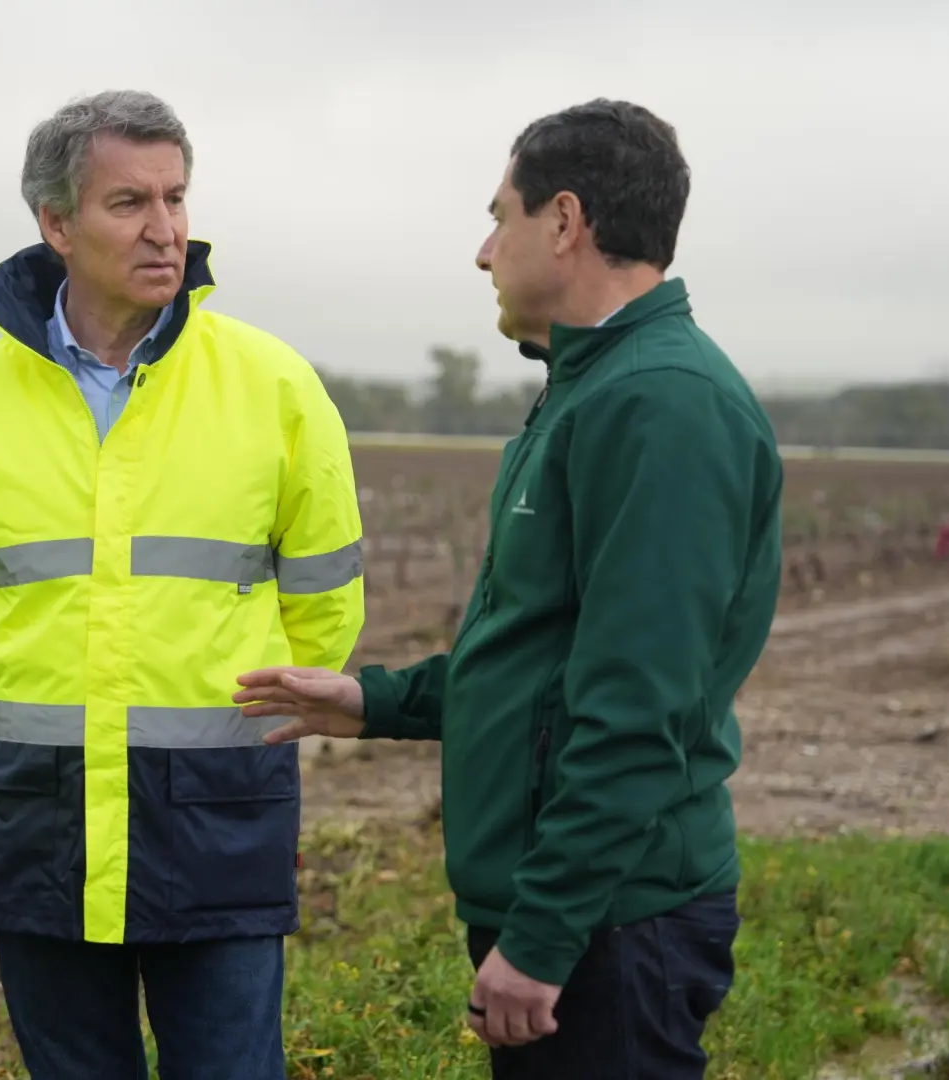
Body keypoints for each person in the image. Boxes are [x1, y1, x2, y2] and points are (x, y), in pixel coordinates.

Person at [235, 99, 784, 1079]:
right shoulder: (588, 388)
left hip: (615, 921)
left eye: (501, 218)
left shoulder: (661, 405)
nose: (484, 252)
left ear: (565, 221)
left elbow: (637, 707)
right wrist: (373, 702)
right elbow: (539, 659)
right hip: (580, 913)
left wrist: (542, 938)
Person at [0, 89, 365, 1079]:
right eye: (129, 203)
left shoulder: (276, 387)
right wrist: (41, 701)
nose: (165, 229)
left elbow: (324, 604)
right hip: (39, 813)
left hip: (219, 810)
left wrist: (236, 723)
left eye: (176, 197)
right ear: (56, 224)